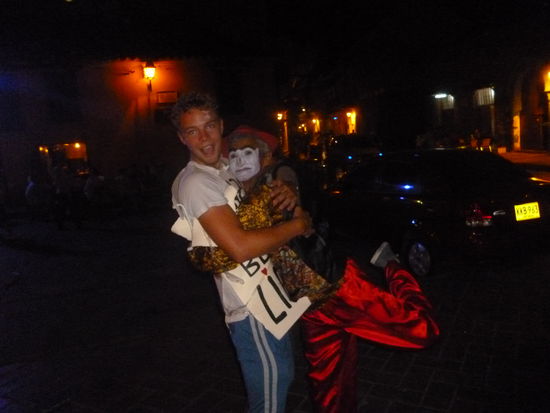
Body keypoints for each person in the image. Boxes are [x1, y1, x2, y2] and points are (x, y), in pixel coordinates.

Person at [189, 126, 440, 412]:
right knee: (329, 383)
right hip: (308, 306)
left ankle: (391, 264)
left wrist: (292, 195)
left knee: (422, 329)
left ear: (265, 158)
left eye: (247, 153)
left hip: (337, 287)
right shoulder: (238, 196)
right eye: (233, 155)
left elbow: (288, 184)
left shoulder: (274, 184)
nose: (239, 160)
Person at [169, 92, 312, 413]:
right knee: (271, 392)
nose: (204, 138)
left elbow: (266, 194)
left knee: (280, 378)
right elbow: (240, 247)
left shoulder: (227, 167)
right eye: (193, 131)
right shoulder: (196, 183)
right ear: (182, 138)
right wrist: (297, 225)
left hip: (272, 294)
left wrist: (285, 192)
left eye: (209, 126)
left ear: (221, 126)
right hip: (251, 305)